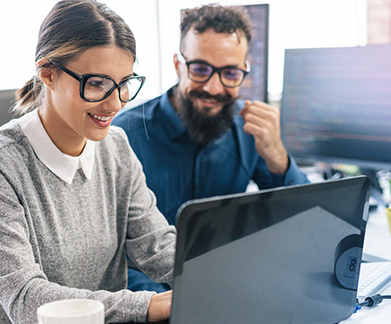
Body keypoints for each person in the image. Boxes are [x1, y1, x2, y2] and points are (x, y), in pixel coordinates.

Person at [0, 1, 175, 323]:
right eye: (97, 84)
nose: (115, 104)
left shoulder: (117, 147)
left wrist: (213, 272)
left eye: (124, 84)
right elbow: (26, 298)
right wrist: (146, 306)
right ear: (49, 74)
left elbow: (155, 244)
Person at [112, 4, 310, 293]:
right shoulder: (125, 135)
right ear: (179, 65)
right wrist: (173, 304)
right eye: (201, 70)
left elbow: (305, 221)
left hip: (230, 290)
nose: (215, 88)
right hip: (151, 302)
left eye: (230, 73)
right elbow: (113, 257)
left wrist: (278, 158)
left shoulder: (249, 129)